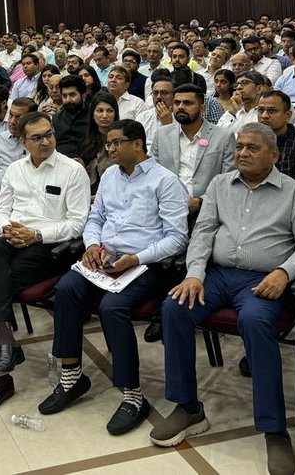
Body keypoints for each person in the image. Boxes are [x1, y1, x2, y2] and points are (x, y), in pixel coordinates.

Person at [152, 123, 295, 475]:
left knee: (255, 321)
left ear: (273, 155)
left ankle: (274, 430)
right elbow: (203, 232)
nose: (241, 153)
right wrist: (194, 273)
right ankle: (188, 407)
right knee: (174, 308)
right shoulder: (219, 185)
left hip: (264, 280)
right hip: (217, 274)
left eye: (251, 148)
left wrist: (285, 272)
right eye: (239, 146)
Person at [38, 119, 188, 434]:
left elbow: (177, 239)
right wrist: (92, 245)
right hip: (106, 256)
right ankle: (72, 377)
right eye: (109, 143)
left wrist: (136, 258)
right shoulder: (108, 175)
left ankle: (132, 394)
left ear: (138, 144)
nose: (111, 149)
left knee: (111, 308)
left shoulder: (165, 181)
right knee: (65, 289)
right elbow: (96, 217)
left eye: (117, 142)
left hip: (146, 263)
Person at [0, 111, 91, 416]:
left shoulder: (72, 172)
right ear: (23, 142)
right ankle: (7, 348)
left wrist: (36, 235)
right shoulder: (14, 170)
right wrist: (8, 228)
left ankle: (0, 376)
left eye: (49, 134)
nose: (46, 141)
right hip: (13, 239)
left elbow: (77, 223)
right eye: (37, 137)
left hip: (49, 246)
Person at [150, 84, 236, 213]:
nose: (180, 107)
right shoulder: (161, 134)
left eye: (188, 103)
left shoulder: (223, 136)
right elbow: (152, 174)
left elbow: (228, 179)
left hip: (207, 208)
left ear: (202, 109)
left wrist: (201, 202)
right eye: (177, 103)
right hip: (165, 206)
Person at [0, 98, 33, 190]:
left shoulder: (35, 142)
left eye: (18, 118)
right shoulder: (0, 139)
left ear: (31, 119)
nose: (12, 121)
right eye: (11, 115)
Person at [79, 92, 119, 189]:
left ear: (115, 114)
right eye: (100, 111)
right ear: (93, 114)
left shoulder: (121, 141)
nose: (104, 115)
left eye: (109, 111)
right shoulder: (85, 140)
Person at [52, 75, 90, 157]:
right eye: (64, 96)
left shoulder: (93, 117)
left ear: (84, 96)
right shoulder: (56, 119)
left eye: (72, 95)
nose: (68, 100)